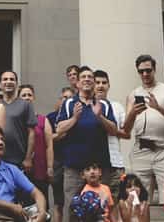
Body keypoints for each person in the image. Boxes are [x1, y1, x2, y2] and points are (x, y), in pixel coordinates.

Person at [55, 67, 116, 222]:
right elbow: (60, 129)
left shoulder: (104, 104)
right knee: (72, 209)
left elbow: (114, 130)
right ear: (78, 83)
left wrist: (100, 116)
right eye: (83, 77)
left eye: (90, 77)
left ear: (94, 82)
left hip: (99, 167)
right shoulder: (69, 103)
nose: (87, 79)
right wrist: (75, 118)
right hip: (74, 167)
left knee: (102, 210)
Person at [124, 55, 164, 205]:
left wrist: (158, 108)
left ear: (154, 70)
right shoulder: (133, 94)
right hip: (141, 148)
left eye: (148, 70)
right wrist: (132, 113)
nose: (145, 74)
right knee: (137, 198)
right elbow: (126, 130)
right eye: (141, 71)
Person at [92, 71, 126, 196]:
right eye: (97, 82)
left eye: (104, 83)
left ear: (109, 85)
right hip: (95, 166)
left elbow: (126, 133)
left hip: (115, 163)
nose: (101, 86)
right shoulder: (86, 106)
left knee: (117, 204)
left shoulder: (117, 106)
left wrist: (111, 127)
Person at [18, 85, 53, 207]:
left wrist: (49, 167)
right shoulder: (16, 120)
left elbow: (49, 145)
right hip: (21, 167)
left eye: (29, 95)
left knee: (41, 204)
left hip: (40, 168)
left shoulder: (43, 120)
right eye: (23, 95)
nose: (27, 98)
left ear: (33, 97)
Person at [0, 72, 36, 173]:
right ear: (0, 85)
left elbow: (31, 133)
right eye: (5, 79)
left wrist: (28, 158)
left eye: (12, 79)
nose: (8, 82)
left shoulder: (25, 105)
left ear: (16, 84)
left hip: (18, 160)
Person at [48, 87, 74, 222]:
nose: (66, 100)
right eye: (64, 97)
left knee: (74, 201)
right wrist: (60, 134)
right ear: (60, 100)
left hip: (73, 162)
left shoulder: (78, 117)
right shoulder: (51, 117)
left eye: (70, 97)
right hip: (57, 162)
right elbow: (47, 139)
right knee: (58, 202)